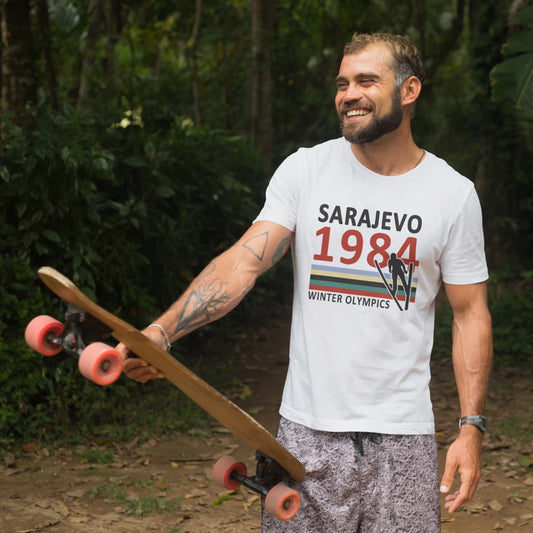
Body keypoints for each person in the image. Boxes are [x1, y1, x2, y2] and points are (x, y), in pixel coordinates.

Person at [117, 32, 493, 532]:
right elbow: (243, 263)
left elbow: (470, 313)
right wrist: (162, 333)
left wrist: (471, 428)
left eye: (366, 80)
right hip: (306, 435)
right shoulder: (307, 170)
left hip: (404, 436)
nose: (348, 94)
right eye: (342, 83)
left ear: (409, 91)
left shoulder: (453, 194)